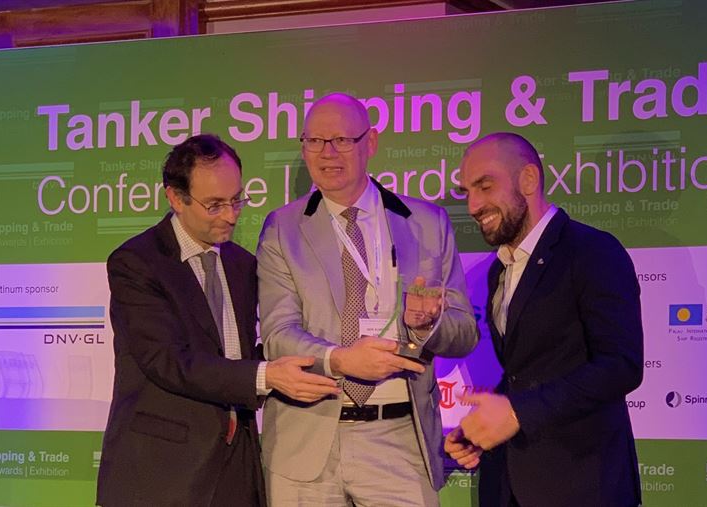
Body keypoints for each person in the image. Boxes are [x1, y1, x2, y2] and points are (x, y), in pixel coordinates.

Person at [256, 93, 478, 506]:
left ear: (370, 142)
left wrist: (427, 325)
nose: (327, 153)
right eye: (314, 141)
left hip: (400, 440)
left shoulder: (428, 222)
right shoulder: (282, 229)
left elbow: (464, 332)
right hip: (305, 441)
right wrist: (340, 360)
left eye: (342, 140)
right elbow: (277, 335)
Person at [96, 134, 340, 507]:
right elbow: (168, 361)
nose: (230, 215)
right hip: (161, 475)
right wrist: (266, 375)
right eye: (214, 205)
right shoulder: (137, 263)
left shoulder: (243, 265)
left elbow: (243, 353)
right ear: (175, 198)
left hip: (236, 468)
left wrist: (318, 358)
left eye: (236, 199)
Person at [446, 132, 643, 507]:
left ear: (528, 180)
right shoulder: (499, 270)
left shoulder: (592, 251)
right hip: (509, 483)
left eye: (485, 186)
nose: (473, 205)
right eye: (467, 192)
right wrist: (484, 428)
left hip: (584, 485)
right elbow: (529, 372)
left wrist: (516, 412)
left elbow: (621, 366)